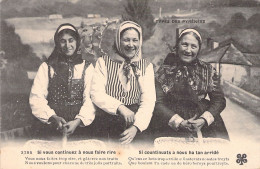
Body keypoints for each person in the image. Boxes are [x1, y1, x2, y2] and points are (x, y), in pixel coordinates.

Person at [151, 28, 229, 140]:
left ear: (198, 49)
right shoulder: (164, 71)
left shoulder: (207, 70)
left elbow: (219, 100)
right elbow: (158, 102)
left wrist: (203, 120)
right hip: (170, 120)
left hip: (202, 121)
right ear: (177, 46)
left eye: (193, 46)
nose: (188, 50)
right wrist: (179, 122)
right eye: (184, 44)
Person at [90, 21, 156, 144]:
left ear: (140, 41)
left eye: (135, 40)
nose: (131, 45)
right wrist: (120, 107)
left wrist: (136, 127)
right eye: (126, 40)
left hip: (136, 122)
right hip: (108, 120)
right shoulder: (103, 62)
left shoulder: (146, 66)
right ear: (118, 40)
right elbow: (96, 93)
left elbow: (148, 101)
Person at [30, 23, 95, 140]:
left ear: (77, 42)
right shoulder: (47, 67)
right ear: (57, 44)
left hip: (80, 126)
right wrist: (52, 117)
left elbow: (90, 99)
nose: (67, 45)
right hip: (52, 125)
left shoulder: (87, 67)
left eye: (71, 40)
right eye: (63, 41)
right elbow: (36, 98)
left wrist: (78, 120)